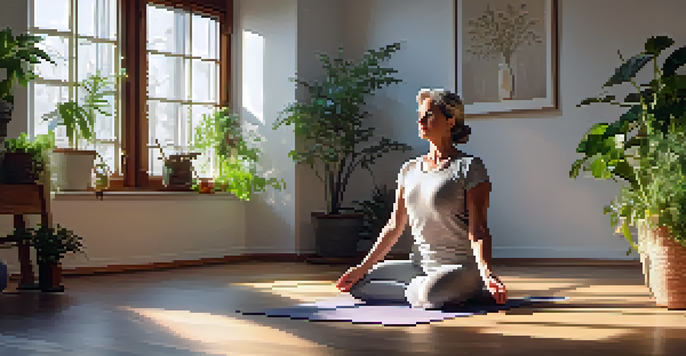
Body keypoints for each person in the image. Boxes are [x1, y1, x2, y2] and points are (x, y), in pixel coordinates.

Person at [335, 89, 507, 309]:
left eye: (429, 115)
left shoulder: (470, 167)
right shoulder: (409, 169)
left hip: (459, 268)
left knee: (432, 294)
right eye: (420, 115)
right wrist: (361, 267)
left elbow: (479, 230)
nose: (420, 120)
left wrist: (487, 273)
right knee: (360, 284)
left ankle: (451, 289)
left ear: (450, 121)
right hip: (420, 266)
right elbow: (394, 226)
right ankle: (434, 292)